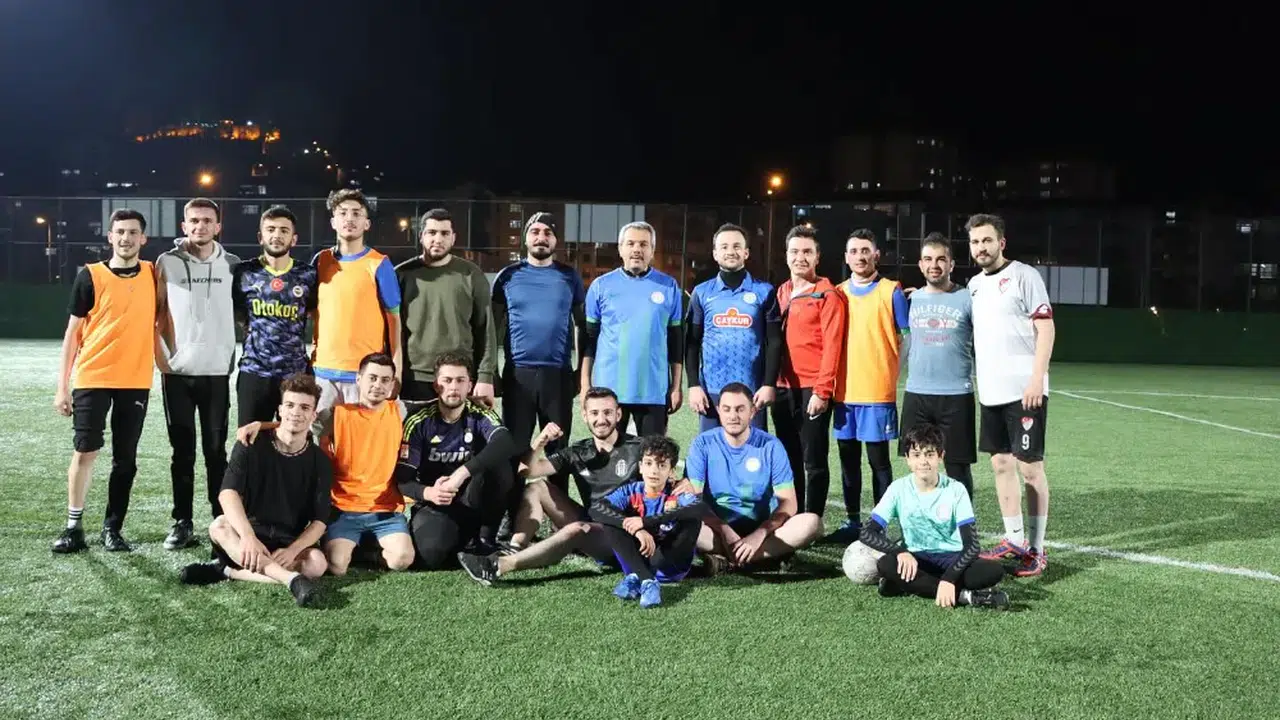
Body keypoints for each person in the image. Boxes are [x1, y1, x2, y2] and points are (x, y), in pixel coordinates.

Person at [238, 353, 416, 574]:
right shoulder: (338, 414)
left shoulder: (399, 411)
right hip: (343, 507)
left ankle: (366, 550)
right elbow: (299, 421)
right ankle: (353, 547)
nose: (378, 385)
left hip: (384, 507)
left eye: (385, 380)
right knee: (337, 566)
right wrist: (261, 425)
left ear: (392, 385)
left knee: (402, 560)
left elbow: (435, 407)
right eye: (372, 378)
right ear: (358, 379)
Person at [453, 387, 647, 585]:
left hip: (625, 534)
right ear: (585, 416)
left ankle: (498, 565)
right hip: (594, 523)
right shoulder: (579, 451)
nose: (601, 419)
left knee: (576, 529)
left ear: (618, 414)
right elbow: (527, 471)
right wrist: (540, 442)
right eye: (594, 413)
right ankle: (515, 547)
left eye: (607, 412)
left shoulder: (639, 448)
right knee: (536, 488)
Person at [51, 209, 156, 554]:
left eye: (133, 232)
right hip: (93, 377)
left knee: (125, 459)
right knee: (85, 450)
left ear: (143, 238)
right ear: (110, 237)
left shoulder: (153, 274)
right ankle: (73, 527)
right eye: (120, 232)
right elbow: (72, 334)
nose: (126, 238)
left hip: (135, 380)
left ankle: (113, 529)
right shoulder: (90, 276)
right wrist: (62, 387)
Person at [178, 374, 330, 607]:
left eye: (304, 407)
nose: (296, 412)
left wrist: (293, 550)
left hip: (286, 540)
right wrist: (248, 536)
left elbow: (319, 522)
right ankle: (291, 580)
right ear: (280, 410)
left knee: (317, 564)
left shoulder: (320, 461)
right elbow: (227, 494)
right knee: (219, 526)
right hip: (247, 534)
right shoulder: (251, 442)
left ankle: (227, 571)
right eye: (290, 405)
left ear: (313, 415)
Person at [966, 213, 1055, 577]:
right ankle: (1014, 540)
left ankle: (1036, 549)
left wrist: (1036, 379)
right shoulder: (974, 285)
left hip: (1024, 391)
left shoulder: (1024, 276)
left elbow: (1046, 328)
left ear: (1001, 242)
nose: (981, 247)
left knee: (1030, 469)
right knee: (1001, 464)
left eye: (987, 240)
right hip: (991, 392)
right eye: (975, 242)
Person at [154, 198, 241, 550]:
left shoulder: (233, 264)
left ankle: (221, 521)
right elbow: (155, 310)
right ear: (184, 226)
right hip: (178, 373)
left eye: (207, 220)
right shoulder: (167, 262)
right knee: (182, 452)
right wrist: (164, 357)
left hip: (217, 372)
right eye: (194, 220)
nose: (200, 226)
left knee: (216, 451)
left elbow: (243, 314)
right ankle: (182, 522)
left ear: (218, 227)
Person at [858, 423, 1009, 609]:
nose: (923, 461)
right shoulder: (898, 489)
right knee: (886, 564)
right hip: (916, 558)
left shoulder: (956, 490)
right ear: (907, 459)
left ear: (940, 457)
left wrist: (949, 578)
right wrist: (900, 552)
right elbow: (867, 533)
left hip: (952, 559)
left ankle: (911, 585)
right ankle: (966, 596)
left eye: (929, 454)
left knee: (993, 571)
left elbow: (972, 546)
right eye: (916, 455)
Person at [395, 352, 520, 568]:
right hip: (438, 502)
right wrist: (429, 493)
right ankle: (461, 539)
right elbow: (403, 480)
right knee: (431, 555)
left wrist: (461, 473)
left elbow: (505, 442)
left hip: (474, 497)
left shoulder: (479, 414)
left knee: (499, 462)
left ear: (469, 386)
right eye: (447, 380)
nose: (454, 387)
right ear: (436, 385)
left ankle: (485, 538)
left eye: (460, 380)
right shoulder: (418, 422)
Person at [491, 211, 585, 495]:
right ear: (525, 238)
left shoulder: (569, 276)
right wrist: (491, 372)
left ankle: (560, 511)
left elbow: (581, 325)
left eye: (548, 233)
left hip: (558, 376)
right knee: (514, 447)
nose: (541, 238)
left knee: (558, 448)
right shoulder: (508, 276)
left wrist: (580, 371)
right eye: (535, 231)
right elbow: (492, 327)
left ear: (556, 240)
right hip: (518, 375)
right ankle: (511, 510)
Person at [829, 228, 910, 544]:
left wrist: (892, 374)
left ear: (876, 255)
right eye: (854, 251)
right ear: (846, 257)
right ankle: (852, 521)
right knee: (848, 462)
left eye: (866, 250)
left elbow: (907, 338)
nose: (860, 256)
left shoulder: (891, 292)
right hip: (843, 393)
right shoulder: (838, 293)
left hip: (877, 392)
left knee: (879, 463)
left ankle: (880, 526)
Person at [688, 383, 823, 571]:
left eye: (740, 409)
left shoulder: (771, 446)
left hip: (762, 532)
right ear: (718, 411)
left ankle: (731, 561)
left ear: (752, 411)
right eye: (727, 409)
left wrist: (760, 533)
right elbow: (692, 500)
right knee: (679, 523)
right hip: (716, 531)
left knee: (812, 523)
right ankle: (760, 559)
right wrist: (723, 529)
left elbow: (789, 503)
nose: (733, 416)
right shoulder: (702, 444)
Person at [581, 221, 683, 435]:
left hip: (653, 390)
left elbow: (676, 341)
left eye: (644, 244)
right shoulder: (601, 286)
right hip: (609, 390)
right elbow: (589, 341)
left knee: (653, 453)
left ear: (652, 250)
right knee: (609, 453)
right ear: (621, 249)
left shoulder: (669, 286)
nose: (637, 249)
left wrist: (676, 386)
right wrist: (585, 385)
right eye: (631, 243)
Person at [771, 226, 845, 517]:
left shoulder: (827, 294)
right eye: (795, 251)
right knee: (788, 459)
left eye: (807, 252)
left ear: (817, 257)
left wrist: (822, 391)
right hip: (782, 388)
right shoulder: (781, 292)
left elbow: (833, 345)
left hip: (811, 389)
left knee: (813, 460)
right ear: (786, 255)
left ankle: (812, 520)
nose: (800, 257)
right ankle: (793, 517)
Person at [899, 232, 976, 496]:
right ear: (920, 265)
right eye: (928, 259)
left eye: (941, 259)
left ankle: (963, 522)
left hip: (956, 395)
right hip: (917, 393)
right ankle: (920, 518)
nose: (935, 265)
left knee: (957, 468)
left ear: (951, 264)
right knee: (917, 465)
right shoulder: (910, 300)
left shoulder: (968, 298)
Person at [311, 189, 402, 412]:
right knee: (321, 433)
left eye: (356, 213)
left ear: (366, 223)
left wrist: (397, 371)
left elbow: (394, 322)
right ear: (333, 222)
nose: (349, 219)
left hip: (364, 375)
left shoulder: (379, 264)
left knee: (360, 434)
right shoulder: (321, 260)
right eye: (342, 213)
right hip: (323, 373)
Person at [395, 208, 498, 404]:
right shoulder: (401, 275)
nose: (438, 239)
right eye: (432, 232)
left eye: (444, 233)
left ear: (453, 238)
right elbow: (391, 330)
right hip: (414, 378)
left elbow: (485, 329)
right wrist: (394, 373)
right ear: (421, 236)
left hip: (459, 377)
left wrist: (486, 376)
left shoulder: (471, 274)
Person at [686, 223, 782, 432]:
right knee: (712, 448)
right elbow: (692, 343)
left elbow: (774, 341)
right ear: (715, 253)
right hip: (711, 391)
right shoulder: (701, 293)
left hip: (752, 391)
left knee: (753, 449)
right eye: (724, 247)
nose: (731, 251)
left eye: (737, 246)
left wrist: (768, 384)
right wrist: (693, 385)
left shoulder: (764, 291)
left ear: (746, 252)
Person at [592, 435, 705, 608]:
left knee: (692, 519)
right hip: (638, 562)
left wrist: (646, 522)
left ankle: (640, 577)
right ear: (640, 467)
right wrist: (637, 529)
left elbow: (699, 509)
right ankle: (646, 580)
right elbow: (596, 509)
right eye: (649, 463)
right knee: (610, 520)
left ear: (671, 471)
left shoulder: (676, 493)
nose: (654, 471)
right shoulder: (631, 491)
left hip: (668, 566)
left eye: (662, 465)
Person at [232, 205, 318, 424]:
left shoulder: (307, 274)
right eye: (270, 229)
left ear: (294, 239)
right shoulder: (245, 272)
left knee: (293, 437)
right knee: (249, 437)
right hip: (254, 371)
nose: (277, 235)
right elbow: (239, 311)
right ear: (260, 237)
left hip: (295, 374)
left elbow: (313, 311)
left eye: (284, 230)